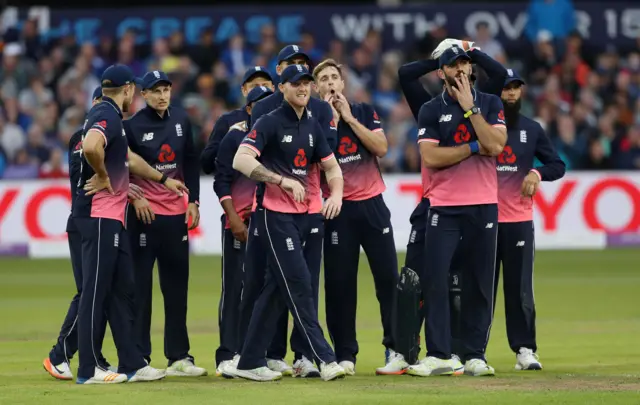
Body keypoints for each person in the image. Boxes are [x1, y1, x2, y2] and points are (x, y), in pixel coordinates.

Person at [72, 64, 187, 384]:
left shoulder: (110, 116)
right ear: (128, 90)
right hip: (100, 215)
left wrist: (163, 179)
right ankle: (88, 369)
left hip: (114, 217)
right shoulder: (106, 115)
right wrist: (103, 175)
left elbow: (129, 160)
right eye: (134, 90)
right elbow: (93, 147)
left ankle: (132, 362)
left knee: (123, 290)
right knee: (96, 292)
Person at [397, 39, 508, 370]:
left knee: (479, 282)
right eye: (452, 64)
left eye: (464, 63)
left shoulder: (488, 103)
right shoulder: (431, 109)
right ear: (441, 71)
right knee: (435, 280)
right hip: (444, 207)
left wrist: (470, 108)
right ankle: (439, 354)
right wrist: (474, 147)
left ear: (471, 67)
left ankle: (475, 355)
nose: (460, 68)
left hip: (484, 204)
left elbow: (498, 145)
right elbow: (431, 157)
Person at [231, 64, 346, 382]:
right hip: (274, 215)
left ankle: (250, 361)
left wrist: (335, 195)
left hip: (303, 217)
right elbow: (240, 159)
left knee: (276, 288)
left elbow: (332, 168)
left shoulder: (311, 123)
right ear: (282, 87)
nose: (303, 88)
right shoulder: (269, 121)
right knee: (298, 282)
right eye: (296, 83)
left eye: (307, 83)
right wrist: (280, 181)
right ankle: (324, 357)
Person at [42, 87, 143, 380]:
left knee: (100, 290)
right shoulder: (86, 135)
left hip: (88, 218)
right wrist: (110, 179)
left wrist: (127, 186)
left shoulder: (98, 134)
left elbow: (124, 164)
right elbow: (90, 173)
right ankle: (61, 354)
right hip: (90, 218)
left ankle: (96, 357)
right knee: (91, 291)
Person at [311, 58, 400, 376]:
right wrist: (331, 122)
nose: (331, 83)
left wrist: (348, 117)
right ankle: (345, 353)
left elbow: (381, 147)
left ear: (343, 83)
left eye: (335, 77)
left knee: (389, 279)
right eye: (324, 79)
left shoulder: (362, 110)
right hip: (337, 209)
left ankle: (396, 349)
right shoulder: (310, 119)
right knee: (339, 285)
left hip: (372, 205)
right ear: (315, 87)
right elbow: (314, 163)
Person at [124, 70, 204, 377]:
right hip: (144, 217)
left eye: (166, 89)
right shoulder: (131, 126)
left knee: (176, 290)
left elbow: (192, 161)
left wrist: (194, 201)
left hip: (175, 218)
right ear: (143, 95)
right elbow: (122, 168)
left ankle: (179, 357)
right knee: (140, 290)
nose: (162, 95)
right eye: (155, 91)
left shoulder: (181, 121)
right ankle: (140, 358)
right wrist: (134, 198)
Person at [494, 70, 565, 370]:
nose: (511, 94)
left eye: (515, 88)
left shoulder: (531, 129)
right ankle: (471, 352)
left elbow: (557, 165)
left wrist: (536, 173)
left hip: (519, 219)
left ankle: (525, 349)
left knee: (520, 288)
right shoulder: (480, 127)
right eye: (506, 88)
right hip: (482, 220)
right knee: (477, 289)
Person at [212, 85, 273, 375]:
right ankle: (227, 354)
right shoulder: (234, 136)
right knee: (234, 288)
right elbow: (220, 182)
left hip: (267, 223)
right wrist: (233, 218)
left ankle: (253, 353)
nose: (266, 107)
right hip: (238, 224)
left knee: (260, 288)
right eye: (259, 103)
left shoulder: (273, 132)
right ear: (249, 109)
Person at [200, 66, 273, 174]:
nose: (261, 90)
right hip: (240, 186)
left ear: (274, 89)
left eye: (265, 85)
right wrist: (227, 140)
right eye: (254, 86)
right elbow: (206, 164)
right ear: (244, 90)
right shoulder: (228, 120)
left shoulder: (285, 118)